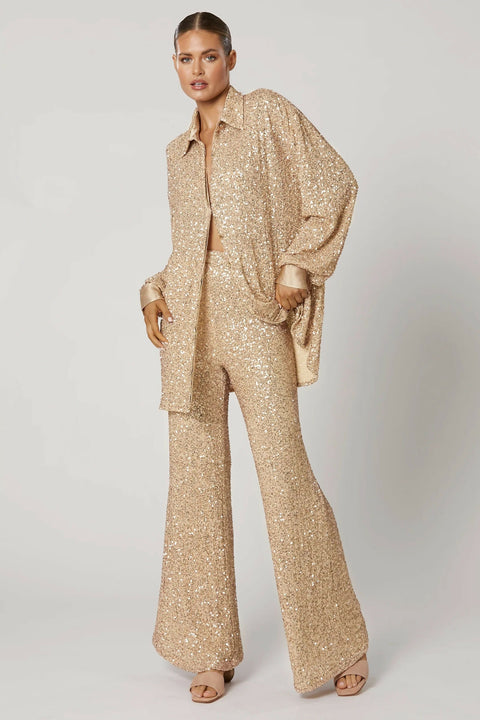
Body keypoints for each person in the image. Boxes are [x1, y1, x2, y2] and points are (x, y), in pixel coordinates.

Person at [139, 11, 369, 704]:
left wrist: (298, 264)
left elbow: (335, 185)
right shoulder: (176, 155)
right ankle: (207, 651)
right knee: (195, 488)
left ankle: (339, 644)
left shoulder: (267, 116)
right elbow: (192, 249)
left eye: (209, 56)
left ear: (232, 59)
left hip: (253, 318)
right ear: (174, 65)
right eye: (186, 58)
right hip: (190, 326)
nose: (198, 69)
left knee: (285, 477)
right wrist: (153, 289)